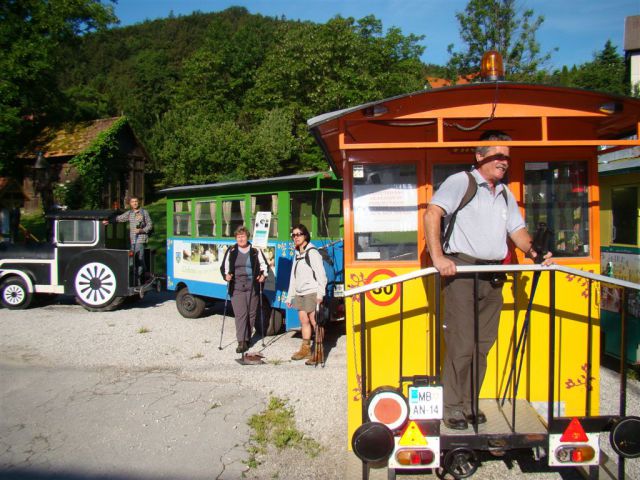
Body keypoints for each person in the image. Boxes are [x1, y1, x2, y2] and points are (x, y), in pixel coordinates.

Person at [424, 130, 552, 430]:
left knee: (483, 344)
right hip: (463, 273)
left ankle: (469, 404)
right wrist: (438, 257)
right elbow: (433, 214)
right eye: (498, 155)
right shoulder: (462, 181)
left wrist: (534, 253)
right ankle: (452, 407)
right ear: (479, 156)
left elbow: (517, 232)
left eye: (507, 157)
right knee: (462, 343)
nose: (504, 162)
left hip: (493, 275)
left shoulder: (505, 193)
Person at [220, 226, 269, 353]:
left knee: (251, 314)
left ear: (247, 237)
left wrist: (263, 275)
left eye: (243, 236)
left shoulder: (255, 250)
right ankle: (241, 341)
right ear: (236, 238)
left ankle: (247, 338)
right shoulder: (232, 250)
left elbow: (265, 266)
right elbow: (224, 267)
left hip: (252, 285)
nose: (241, 239)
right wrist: (226, 276)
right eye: (238, 237)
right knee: (240, 314)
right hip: (237, 286)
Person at [286, 224, 327, 365]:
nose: (296, 237)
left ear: (305, 236)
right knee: (304, 321)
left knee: (316, 322)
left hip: (312, 292)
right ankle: (305, 349)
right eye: (294, 235)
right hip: (299, 293)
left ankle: (319, 352)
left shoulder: (312, 252)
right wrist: (290, 295)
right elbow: (294, 276)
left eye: (299, 234)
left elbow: (322, 275)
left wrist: (320, 294)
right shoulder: (297, 254)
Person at [107, 197, 153, 284]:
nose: (135, 203)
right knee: (136, 259)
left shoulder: (144, 212)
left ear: (138, 202)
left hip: (140, 239)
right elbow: (119, 218)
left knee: (138, 259)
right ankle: (144, 275)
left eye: (136, 201)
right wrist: (108, 221)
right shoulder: (130, 213)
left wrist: (141, 230)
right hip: (132, 240)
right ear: (130, 204)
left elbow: (150, 225)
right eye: (133, 202)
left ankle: (137, 279)